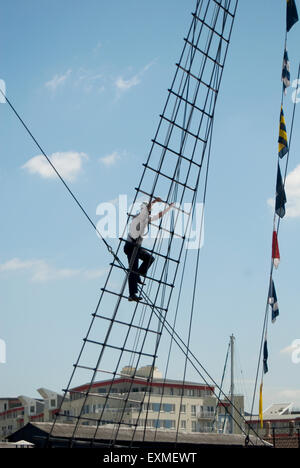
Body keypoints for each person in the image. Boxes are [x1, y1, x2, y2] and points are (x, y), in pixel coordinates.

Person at [124, 196, 174, 302]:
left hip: (137, 247)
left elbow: (158, 216)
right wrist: (155, 201)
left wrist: (169, 208)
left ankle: (138, 274)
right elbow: (147, 210)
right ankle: (132, 294)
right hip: (131, 246)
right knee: (133, 270)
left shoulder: (145, 219)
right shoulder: (139, 217)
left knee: (149, 258)